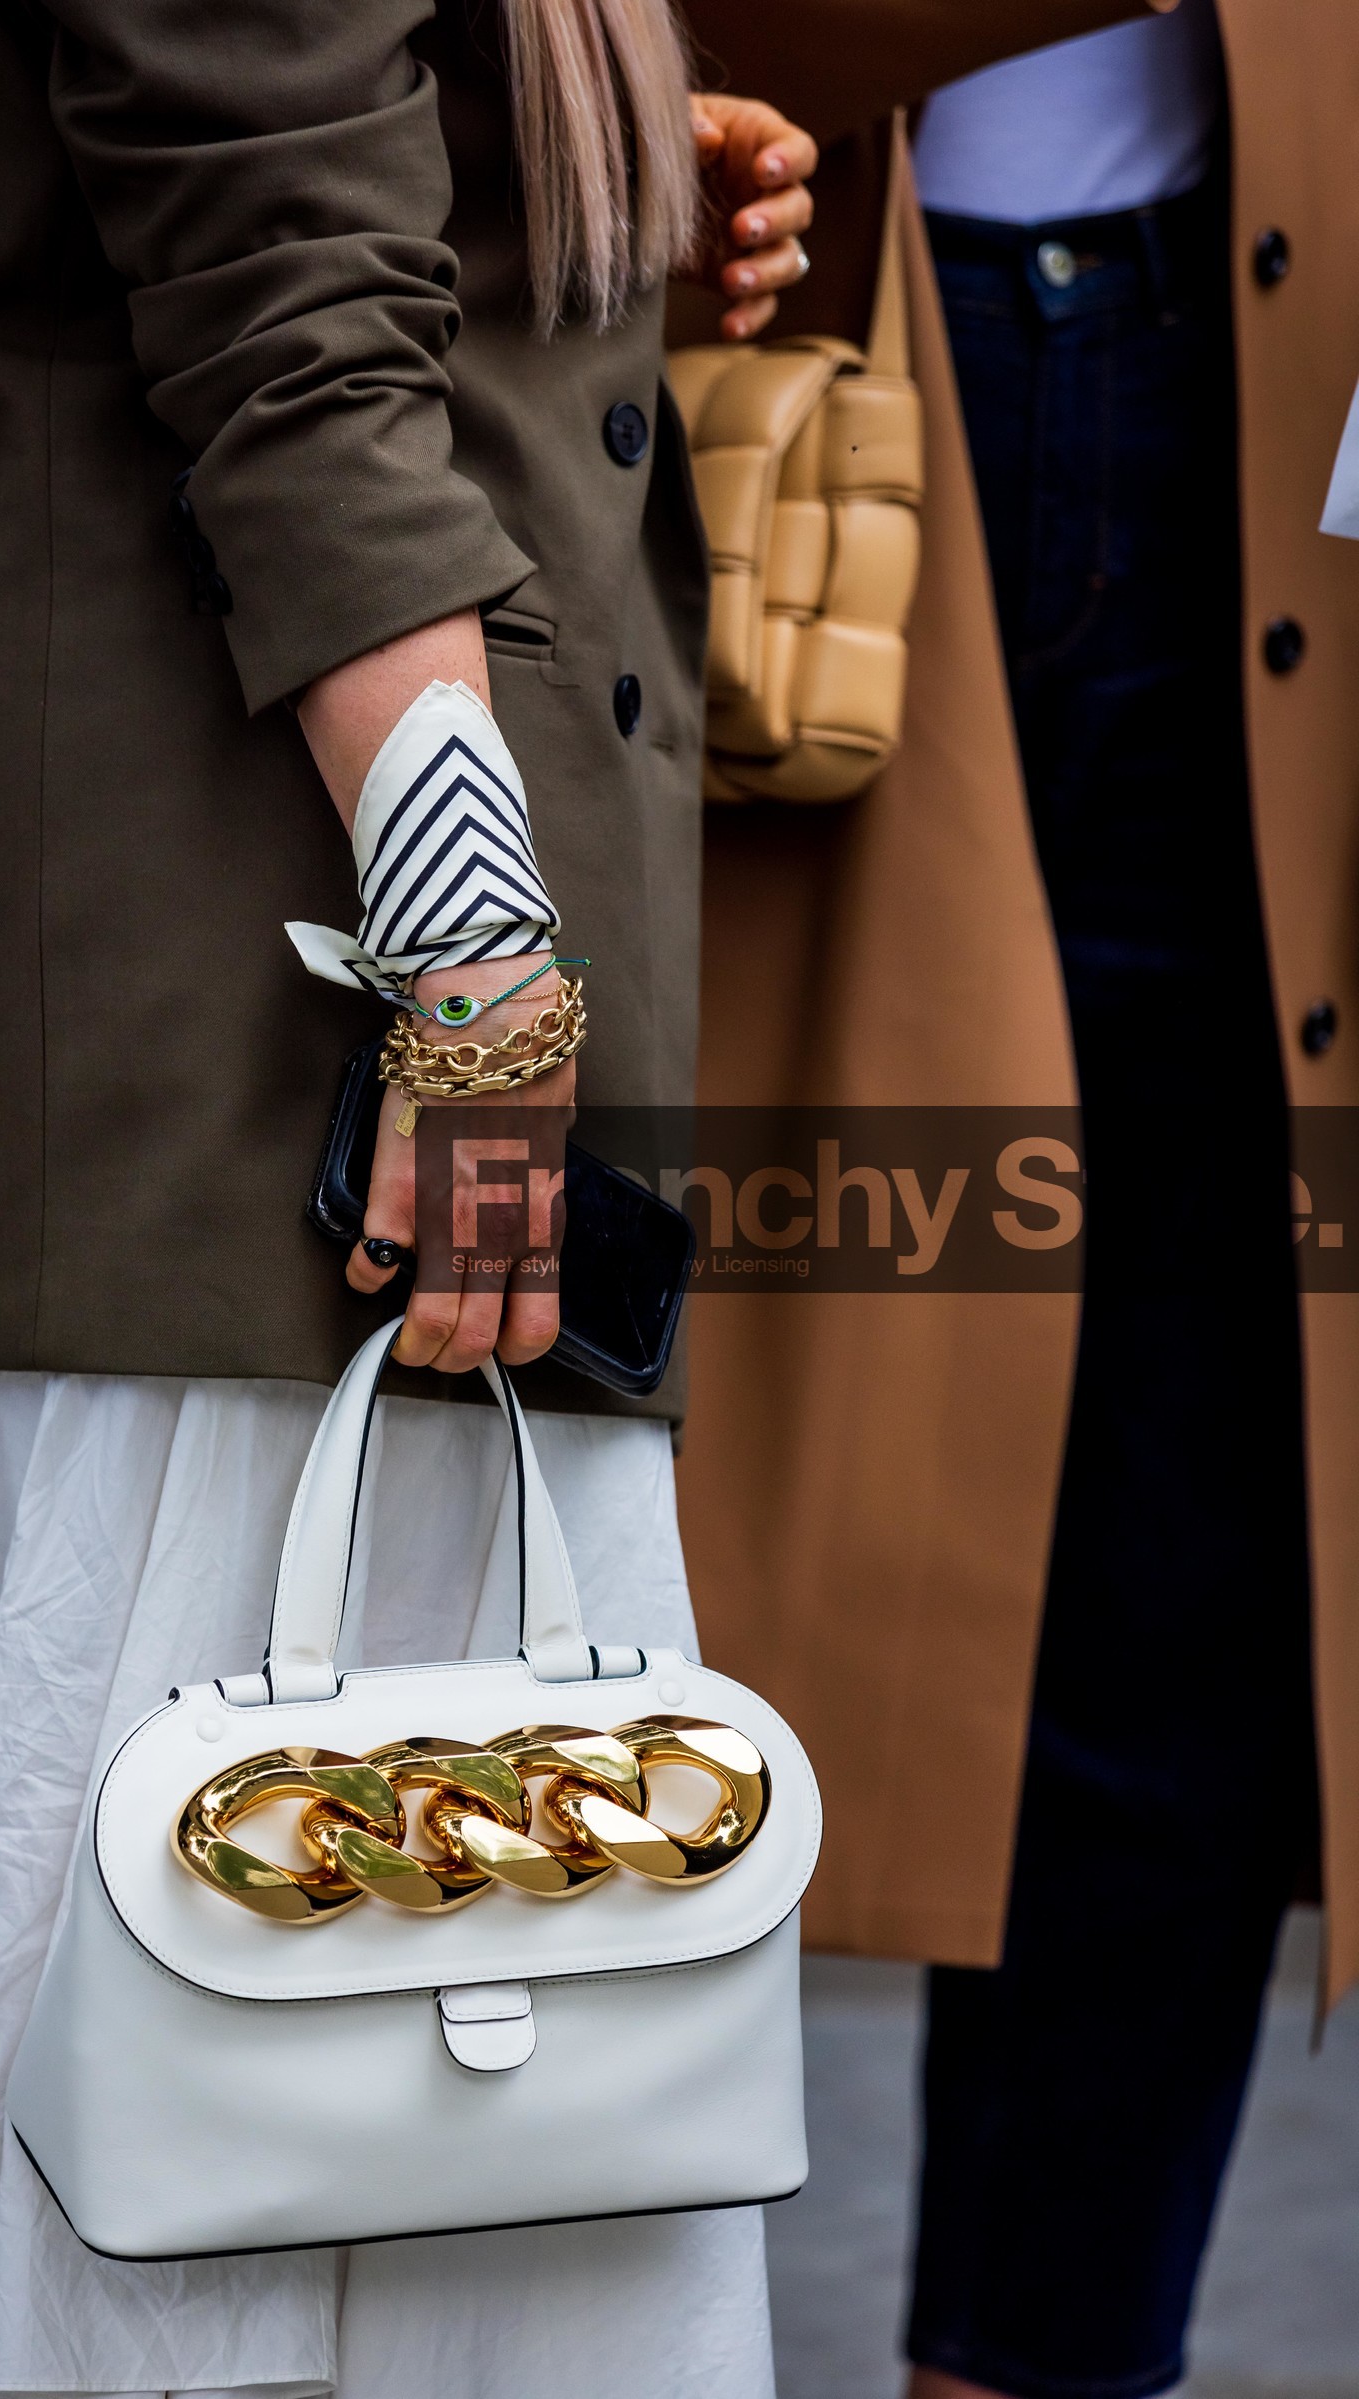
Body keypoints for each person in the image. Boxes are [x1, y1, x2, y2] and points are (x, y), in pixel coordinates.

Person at [0, 3, 817, 2392]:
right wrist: (473, 971)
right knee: (170, 2188)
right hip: (234, 1078)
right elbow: (273, 275)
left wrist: (588, 194)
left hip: (191, 1077)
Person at [671, 0, 1359, 2392]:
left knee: (1193, 1506)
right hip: (728, 346)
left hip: (1259, 349)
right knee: (615, 1493)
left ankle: (1035, 2366)